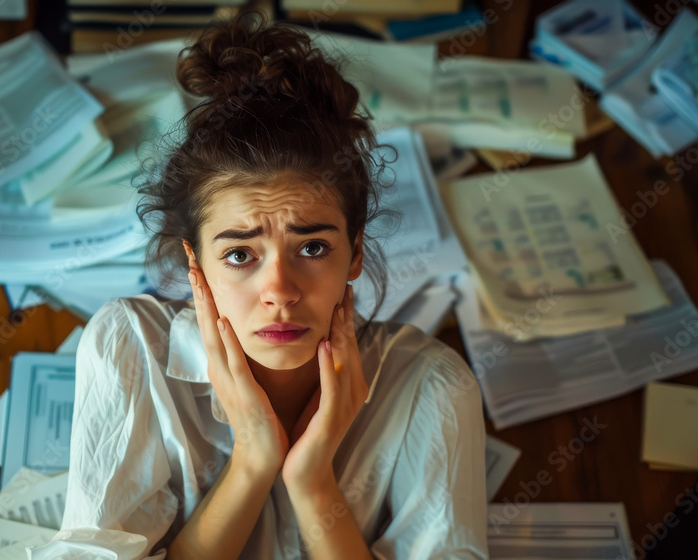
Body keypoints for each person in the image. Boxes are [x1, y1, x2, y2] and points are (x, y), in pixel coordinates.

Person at [30, 11, 487, 560]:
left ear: (355, 253)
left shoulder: (432, 386)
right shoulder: (131, 349)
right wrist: (252, 457)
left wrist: (314, 485)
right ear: (195, 264)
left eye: (312, 248)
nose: (280, 290)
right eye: (240, 254)